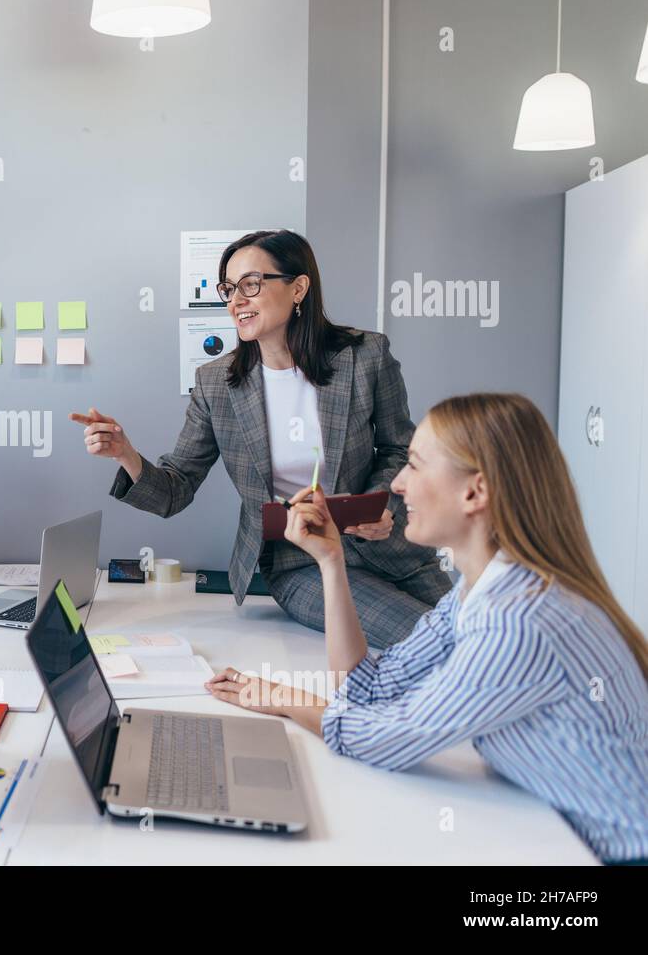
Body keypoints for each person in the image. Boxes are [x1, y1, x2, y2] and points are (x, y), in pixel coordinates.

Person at [206, 393, 648, 864]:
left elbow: (385, 738)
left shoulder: (517, 621)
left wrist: (285, 700)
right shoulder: (477, 593)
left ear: (474, 492)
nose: (397, 484)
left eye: (415, 466)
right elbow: (369, 688)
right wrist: (331, 562)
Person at [72, 229, 448, 648]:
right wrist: (126, 455)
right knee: (435, 640)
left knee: (498, 637)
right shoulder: (217, 383)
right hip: (300, 564)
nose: (236, 300)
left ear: (299, 287)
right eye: (229, 289)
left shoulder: (365, 356)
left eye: (251, 284)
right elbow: (174, 490)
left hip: (394, 554)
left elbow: (400, 449)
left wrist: (381, 508)